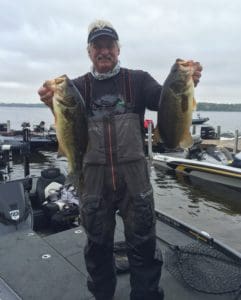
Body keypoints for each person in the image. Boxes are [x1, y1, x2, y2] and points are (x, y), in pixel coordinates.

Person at [38, 20, 202, 300]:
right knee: (98, 247)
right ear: (89, 52)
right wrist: (49, 100)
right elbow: (66, 122)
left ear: (118, 49)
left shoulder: (137, 80)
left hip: (134, 181)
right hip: (93, 183)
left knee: (144, 246)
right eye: (97, 46)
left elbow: (166, 99)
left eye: (109, 46)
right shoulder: (76, 88)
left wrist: (187, 82)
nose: (104, 52)